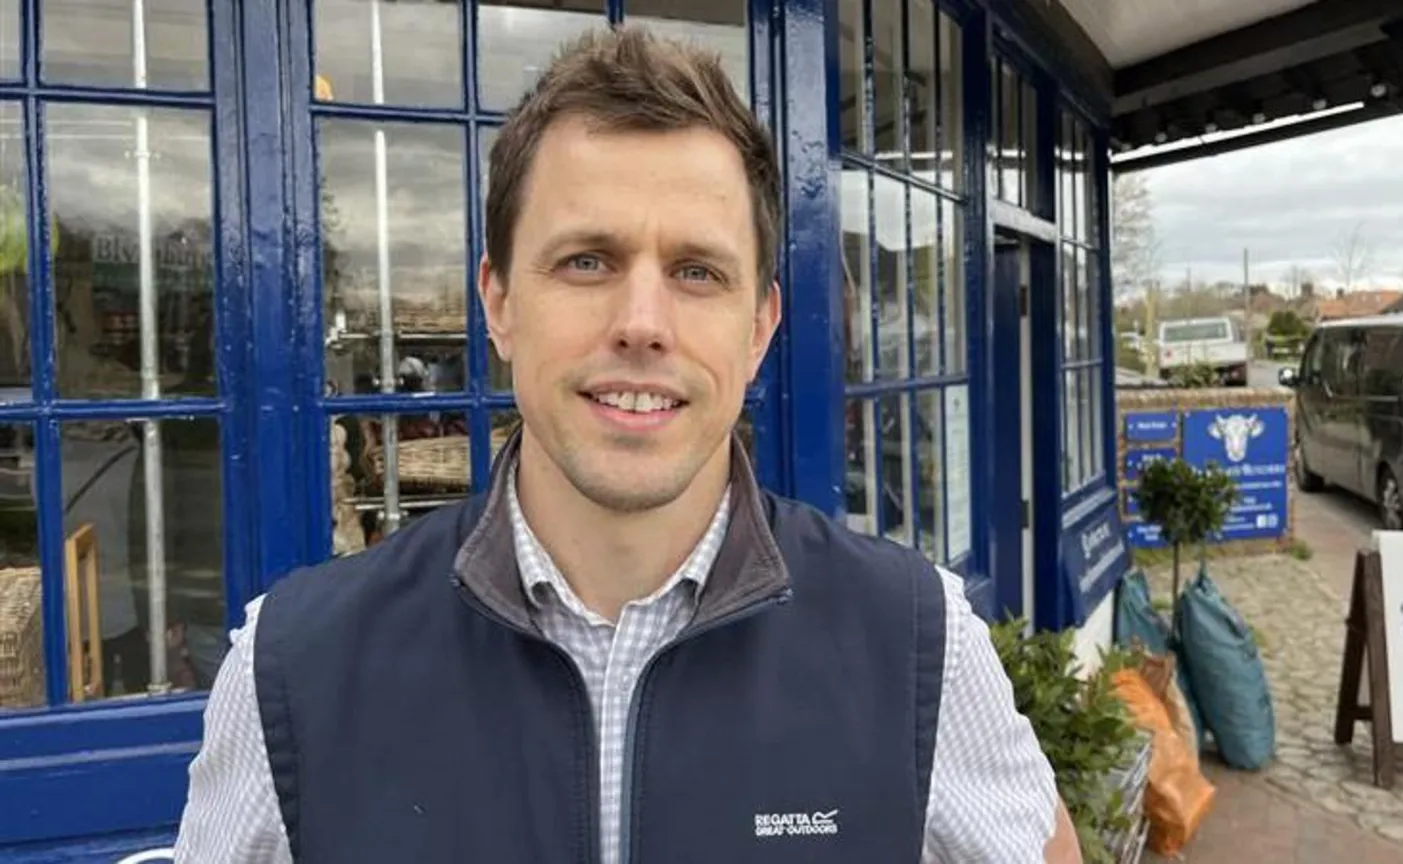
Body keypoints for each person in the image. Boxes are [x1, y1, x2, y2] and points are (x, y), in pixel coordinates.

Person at [174, 25, 1079, 864]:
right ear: (497, 302)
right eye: (587, 262)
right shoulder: (292, 671)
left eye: (696, 271)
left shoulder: (918, 645)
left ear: (759, 326)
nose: (642, 323)